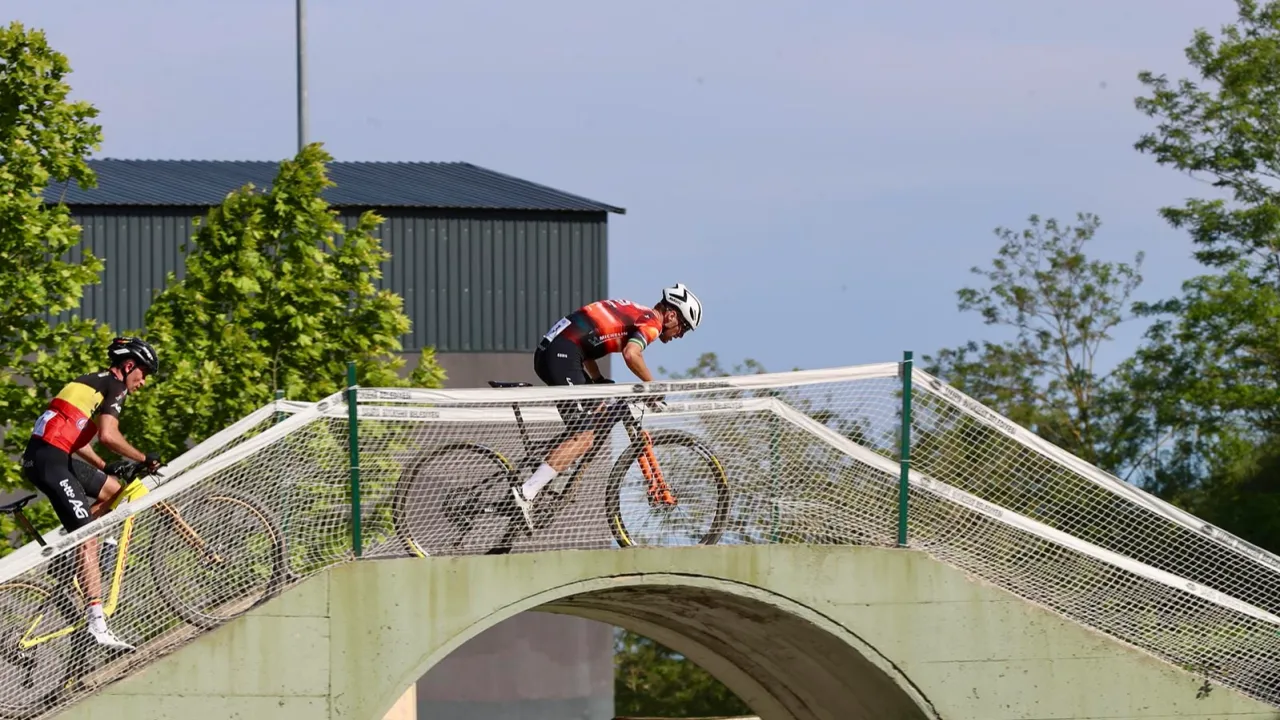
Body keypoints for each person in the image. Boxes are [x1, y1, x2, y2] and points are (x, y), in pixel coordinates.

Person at [511, 283, 702, 529]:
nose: (680, 335)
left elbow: (589, 341)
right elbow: (632, 354)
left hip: (560, 350)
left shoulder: (636, 312)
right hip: (561, 353)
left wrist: (598, 379)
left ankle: (552, 464)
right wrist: (654, 387)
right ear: (672, 315)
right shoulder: (652, 323)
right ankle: (527, 491)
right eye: (683, 328)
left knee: (599, 410)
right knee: (584, 437)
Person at [21, 336, 162, 651]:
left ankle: (75, 551)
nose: (143, 382)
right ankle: (97, 624)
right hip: (51, 461)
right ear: (128, 366)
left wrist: (103, 465)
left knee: (114, 489)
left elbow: (75, 435)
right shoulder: (115, 387)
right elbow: (110, 435)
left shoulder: (90, 383)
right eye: (144, 373)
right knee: (89, 539)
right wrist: (144, 458)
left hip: (50, 456)